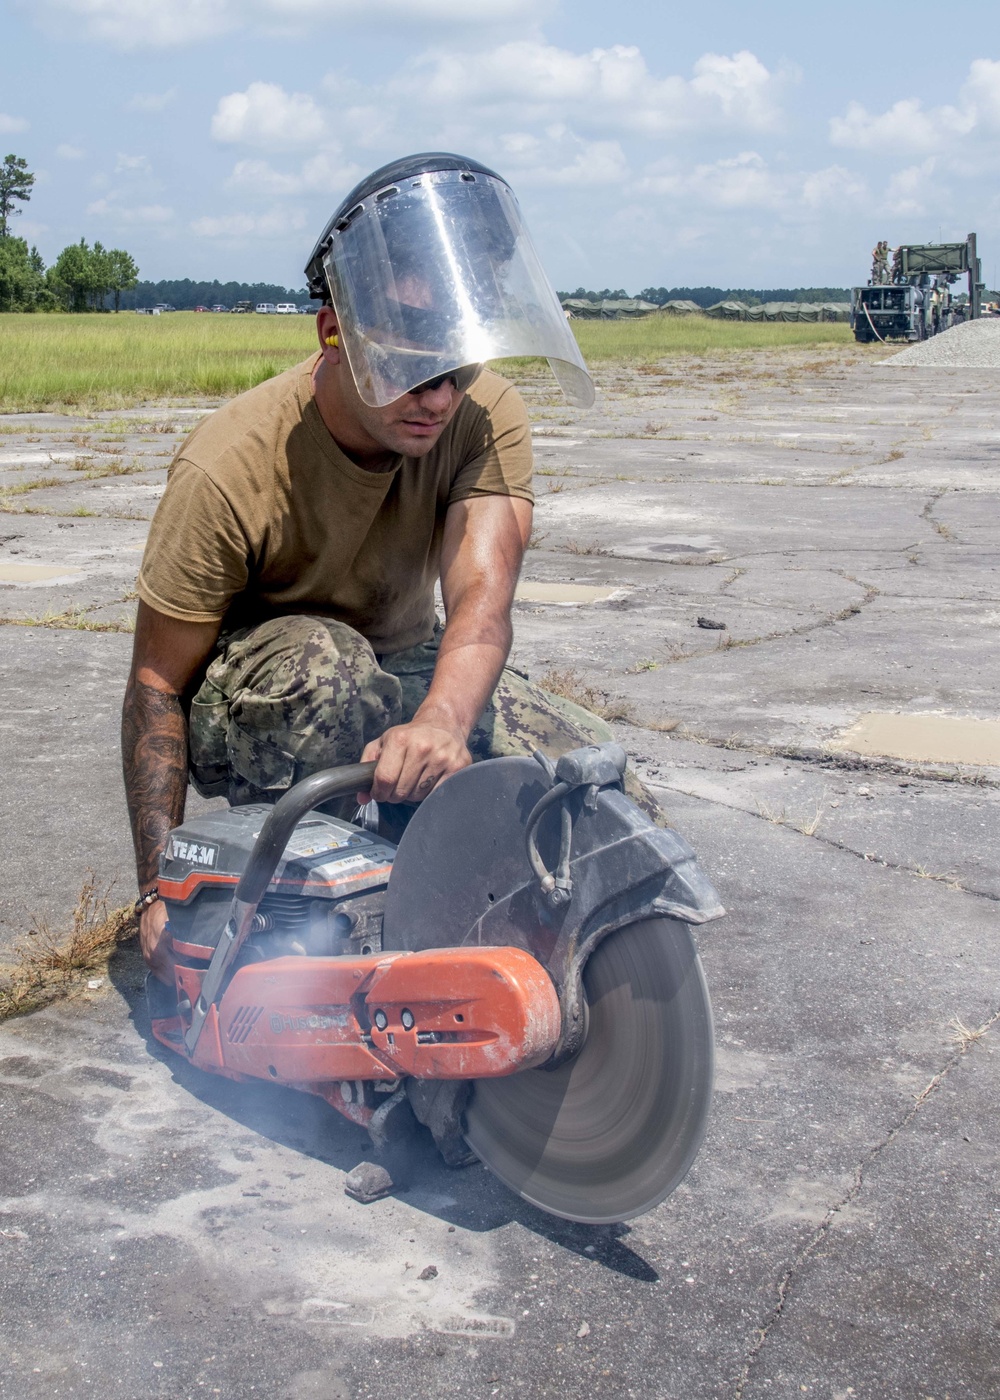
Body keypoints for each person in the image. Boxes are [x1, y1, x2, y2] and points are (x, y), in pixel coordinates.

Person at [122, 151, 661, 986]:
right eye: (410, 364)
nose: (437, 397)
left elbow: (482, 598)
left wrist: (445, 721)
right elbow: (158, 682)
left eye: (456, 368)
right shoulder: (228, 464)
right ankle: (346, 913)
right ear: (335, 333)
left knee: (595, 790)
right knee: (330, 673)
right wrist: (156, 886)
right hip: (266, 694)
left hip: (403, 665)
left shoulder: (484, 417)